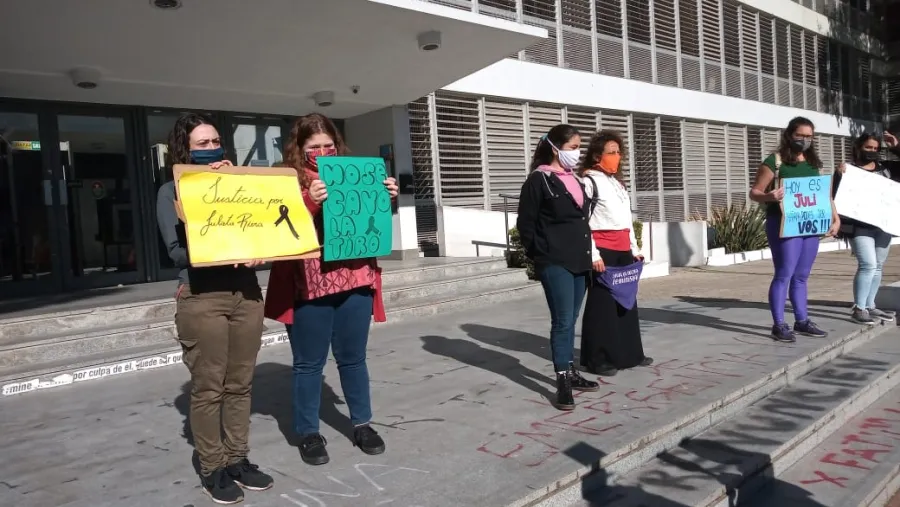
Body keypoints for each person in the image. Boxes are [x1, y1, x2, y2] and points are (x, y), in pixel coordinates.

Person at [264, 113, 399, 466]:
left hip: (355, 280)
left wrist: (386, 197)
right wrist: (309, 201)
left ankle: (363, 423)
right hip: (309, 285)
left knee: (354, 359)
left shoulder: (354, 174)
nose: (323, 152)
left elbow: (370, 220)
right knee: (309, 364)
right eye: (314, 147)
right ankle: (308, 431)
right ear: (300, 148)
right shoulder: (285, 182)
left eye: (329, 145)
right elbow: (278, 232)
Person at [156, 113, 273, 505]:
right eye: (202, 143)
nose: (211, 148)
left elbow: (261, 232)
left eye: (215, 141)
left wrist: (258, 252)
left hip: (246, 294)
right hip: (203, 296)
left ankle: (238, 458)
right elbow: (176, 252)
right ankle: (213, 467)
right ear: (184, 149)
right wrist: (205, 195)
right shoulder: (171, 190)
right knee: (209, 388)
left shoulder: (239, 184)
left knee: (240, 383)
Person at [516, 124, 599, 412]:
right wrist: (541, 255)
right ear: (554, 148)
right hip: (555, 262)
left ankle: (570, 369)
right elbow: (526, 225)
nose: (577, 153)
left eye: (579, 147)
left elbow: (582, 220)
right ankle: (562, 378)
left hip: (580, 260)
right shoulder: (539, 180)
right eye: (572, 147)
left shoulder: (574, 179)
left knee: (572, 318)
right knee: (563, 321)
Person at [749, 116, 840, 343]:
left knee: (801, 276)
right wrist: (769, 196)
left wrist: (835, 218)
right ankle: (779, 325)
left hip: (809, 224)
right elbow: (754, 192)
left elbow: (823, 195)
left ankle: (802, 321)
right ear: (790, 135)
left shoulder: (812, 162)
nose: (805, 140)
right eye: (800, 135)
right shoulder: (775, 162)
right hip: (783, 224)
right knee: (784, 274)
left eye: (809, 136)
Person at [579, 130, 652, 376]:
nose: (617, 156)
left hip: (623, 250)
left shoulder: (618, 183)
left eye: (619, 152)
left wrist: (635, 249)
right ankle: (598, 359)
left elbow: (626, 221)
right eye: (611, 152)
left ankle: (631, 354)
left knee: (626, 303)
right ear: (597, 155)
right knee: (602, 308)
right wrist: (593, 255)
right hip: (604, 252)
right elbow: (582, 223)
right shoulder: (588, 182)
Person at [834, 131, 900, 324]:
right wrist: (839, 174)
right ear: (858, 148)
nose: (872, 151)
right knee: (868, 264)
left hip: (883, 226)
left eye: (875, 149)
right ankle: (859, 308)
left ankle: (870, 305)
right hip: (859, 227)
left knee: (878, 266)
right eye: (868, 147)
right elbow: (834, 196)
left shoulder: (886, 168)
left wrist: (896, 147)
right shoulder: (848, 170)